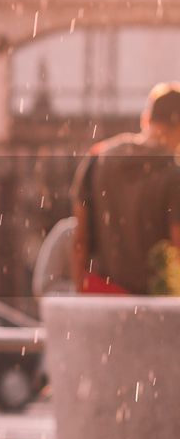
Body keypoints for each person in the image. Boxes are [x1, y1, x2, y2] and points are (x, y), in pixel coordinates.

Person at [71, 82, 180, 295]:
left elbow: (79, 240)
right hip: (150, 306)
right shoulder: (174, 177)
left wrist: (81, 291)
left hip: (100, 294)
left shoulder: (97, 157)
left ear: (146, 119)